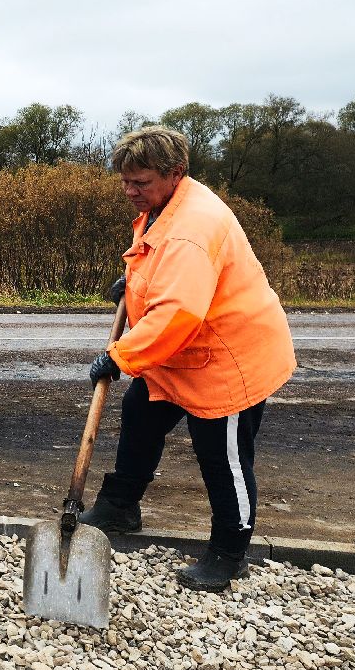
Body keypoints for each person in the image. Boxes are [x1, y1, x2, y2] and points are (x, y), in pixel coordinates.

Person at [80, 126, 296, 592]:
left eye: (140, 183)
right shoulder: (164, 206)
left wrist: (120, 357)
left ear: (175, 173)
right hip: (183, 355)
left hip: (226, 359)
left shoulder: (192, 228)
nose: (130, 191)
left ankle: (229, 552)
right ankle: (120, 506)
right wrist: (133, 281)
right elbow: (164, 273)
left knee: (224, 456)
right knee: (141, 412)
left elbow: (180, 312)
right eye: (125, 181)